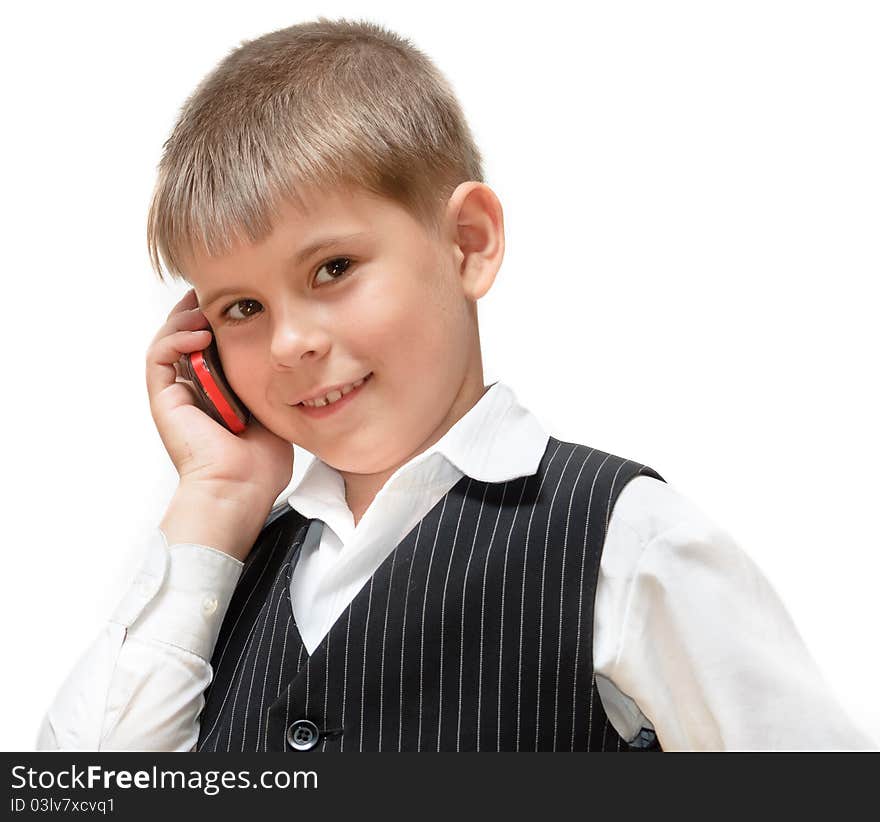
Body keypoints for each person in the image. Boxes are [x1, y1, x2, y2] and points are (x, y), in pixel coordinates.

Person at [36, 17, 875, 752]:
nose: (290, 341)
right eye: (243, 306)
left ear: (469, 242)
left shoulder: (622, 539)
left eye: (333, 268)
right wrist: (214, 500)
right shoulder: (220, 575)